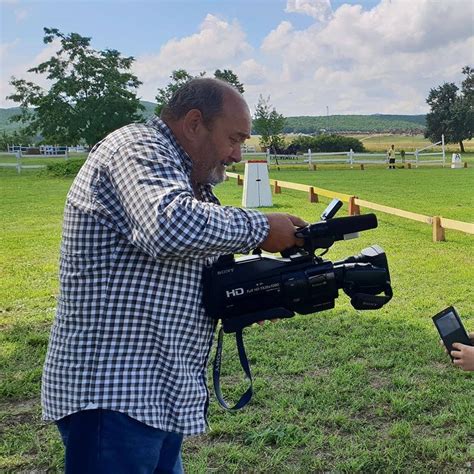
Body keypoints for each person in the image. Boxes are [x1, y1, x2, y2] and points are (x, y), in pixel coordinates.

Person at [41, 77, 307, 473]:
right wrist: (263, 228)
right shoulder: (136, 147)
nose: (236, 155)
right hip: (113, 393)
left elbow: (189, 261)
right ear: (194, 123)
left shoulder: (187, 178)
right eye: (234, 139)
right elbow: (165, 225)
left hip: (153, 390)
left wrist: (258, 292)